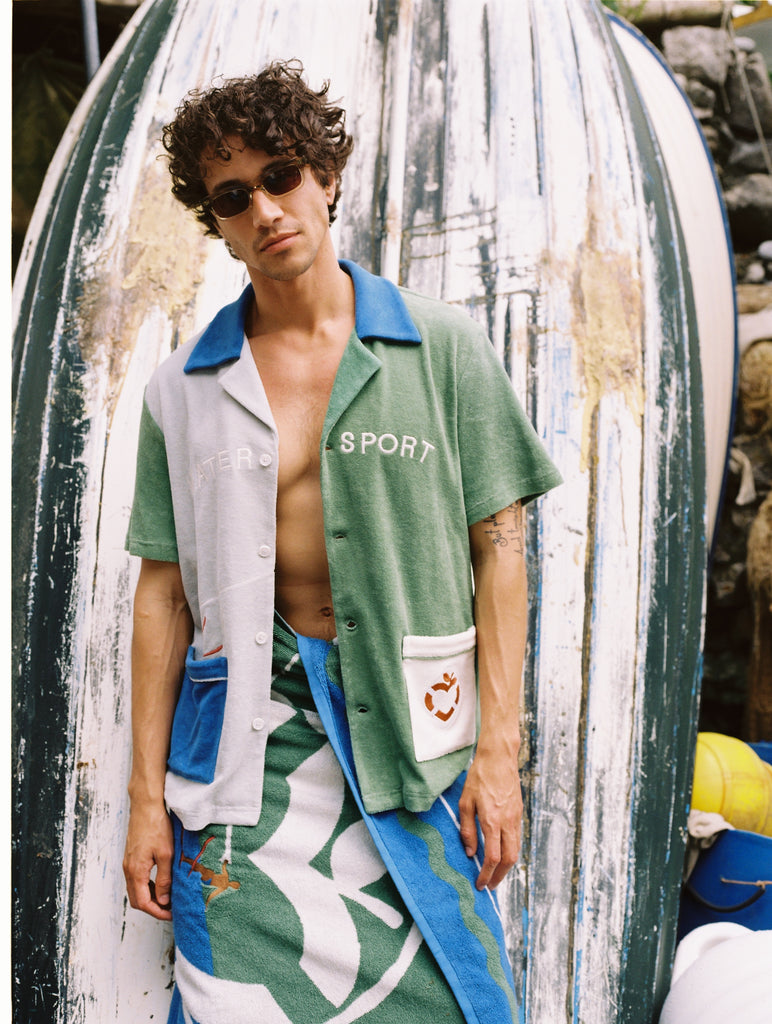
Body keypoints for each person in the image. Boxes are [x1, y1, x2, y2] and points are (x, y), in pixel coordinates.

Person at [122, 59, 561, 1024]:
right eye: (233, 196)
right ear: (217, 221)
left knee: (448, 998)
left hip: (410, 740)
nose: (266, 208)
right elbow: (161, 597)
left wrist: (500, 753)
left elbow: (503, 544)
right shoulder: (182, 392)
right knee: (239, 1003)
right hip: (251, 751)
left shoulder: (441, 347)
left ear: (324, 174)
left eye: (281, 175)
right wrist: (145, 800)